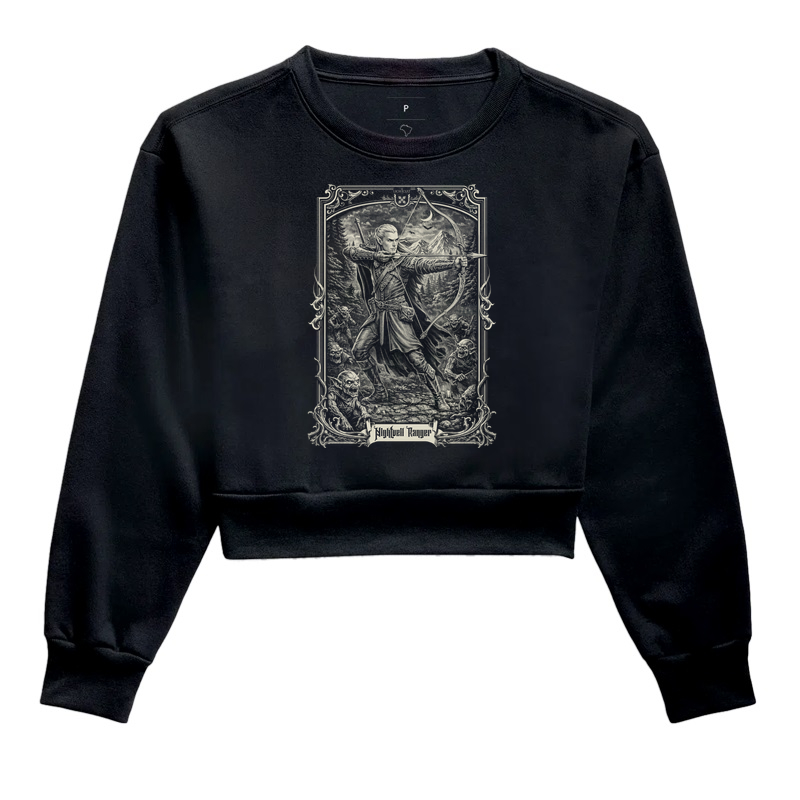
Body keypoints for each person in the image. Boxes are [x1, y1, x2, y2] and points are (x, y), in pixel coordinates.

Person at [344, 223, 467, 411]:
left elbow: (425, 265)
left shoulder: (404, 262)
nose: (394, 244)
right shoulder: (373, 260)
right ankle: (379, 390)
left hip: (398, 317)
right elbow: (348, 252)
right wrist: (374, 256)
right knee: (358, 351)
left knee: (417, 360)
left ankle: (438, 398)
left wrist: (453, 263)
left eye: (396, 240)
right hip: (378, 316)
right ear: (379, 241)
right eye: (390, 240)